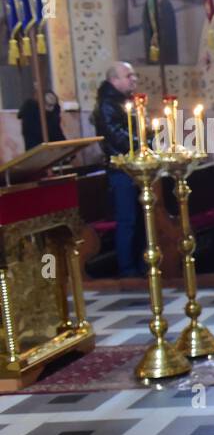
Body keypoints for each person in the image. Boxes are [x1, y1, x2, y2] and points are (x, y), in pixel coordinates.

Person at [91, 62, 145, 277]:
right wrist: (144, 142)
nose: (134, 79)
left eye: (134, 74)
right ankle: (128, 270)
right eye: (128, 75)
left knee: (141, 219)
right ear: (114, 80)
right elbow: (118, 137)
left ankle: (142, 265)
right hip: (120, 170)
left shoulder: (125, 101)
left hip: (135, 168)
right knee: (128, 220)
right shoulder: (107, 104)